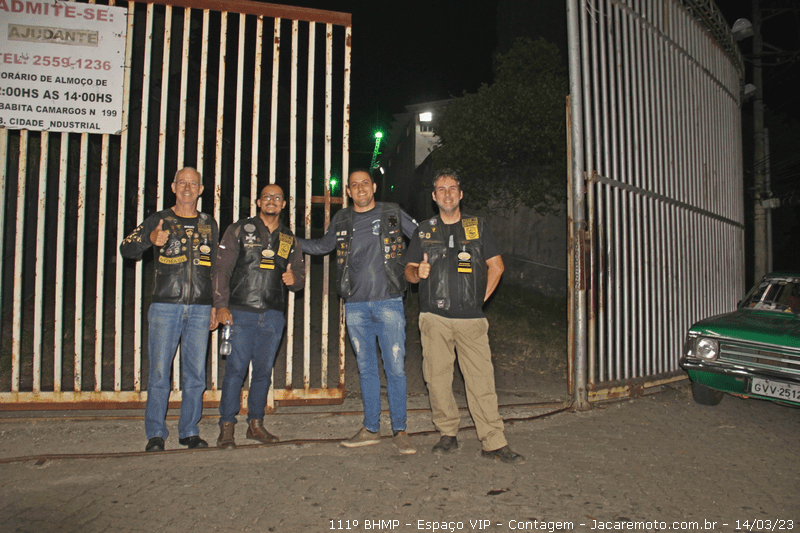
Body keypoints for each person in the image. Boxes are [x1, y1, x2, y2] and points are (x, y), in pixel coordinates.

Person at [404, 169, 525, 465]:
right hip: (433, 318)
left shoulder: (477, 226)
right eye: (441, 189)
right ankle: (448, 433)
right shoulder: (424, 230)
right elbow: (407, 271)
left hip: (471, 321)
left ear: (460, 194)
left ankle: (493, 441)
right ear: (434, 197)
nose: (447, 194)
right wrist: (417, 272)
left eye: (452, 188)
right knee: (437, 380)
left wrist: (478, 301)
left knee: (481, 381)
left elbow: (497, 266)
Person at [299, 169, 417, 454]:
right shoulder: (342, 218)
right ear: (348, 192)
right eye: (355, 185)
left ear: (374, 187)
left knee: (395, 368)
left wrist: (414, 265)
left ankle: (400, 430)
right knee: (366, 369)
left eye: (365, 183)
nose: (361, 188)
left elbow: (421, 236)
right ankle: (371, 428)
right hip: (355, 305)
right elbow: (323, 246)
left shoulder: (391, 211)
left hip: (389, 302)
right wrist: (289, 240)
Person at [119, 167, 218, 452]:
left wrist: (216, 305)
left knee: (196, 374)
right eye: (182, 183)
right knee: (160, 373)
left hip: (200, 307)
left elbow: (216, 268)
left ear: (201, 190)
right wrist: (149, 239)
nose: (187, 188)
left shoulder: (209, 223)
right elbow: (126, 248)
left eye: (193, 184)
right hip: (165, 306)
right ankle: (155, 434)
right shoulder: (159, 219)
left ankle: (189, 431)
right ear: (173, 187)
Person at [212, 184, 305, 449]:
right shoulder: (239, 230)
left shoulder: (289, 238)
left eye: (277, 198)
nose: (271, 201)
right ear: (258, 202)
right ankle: (227, 425)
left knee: (263, 372)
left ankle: (255, 423)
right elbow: (221, 269)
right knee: (235, 370)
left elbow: (299, 276)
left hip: (273, 314)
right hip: (241, 312)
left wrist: (295, 279)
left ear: (284, 204)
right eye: (266, 197)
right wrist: (221, 305)